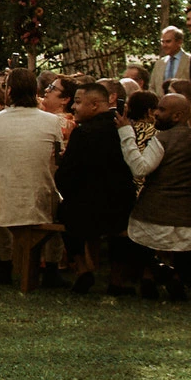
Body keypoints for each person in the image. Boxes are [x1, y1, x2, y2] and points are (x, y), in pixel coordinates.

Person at [0, 67, 66, 285]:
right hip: (39, 195)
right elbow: (57, 163)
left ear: (9, 91)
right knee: (54, 197)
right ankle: (51, 267)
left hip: (2, 197)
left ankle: (5, 264)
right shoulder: (51, 122)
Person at [123, 91, 191, 299]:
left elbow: (140, 168)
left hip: (152, 213)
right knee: (190, 241)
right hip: (189, 215)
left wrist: (125, 134)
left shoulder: (162, 139)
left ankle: (149, 275)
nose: (155, 113)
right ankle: (177, 277)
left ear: (177, 116)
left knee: (141, 236)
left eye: (162, 109)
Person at [55, 80, 136, 294]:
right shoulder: (125, 128)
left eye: (78, 102)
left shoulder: (84, 133)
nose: (73, 107)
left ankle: (82, 269)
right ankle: (117, 280)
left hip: (85, 209)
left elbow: (65, 176)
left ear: (95, 105)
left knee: (63, 211)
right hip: (121, 206)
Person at [150, 26, 191, 94]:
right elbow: (152, 87)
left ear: (179, 42)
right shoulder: (159, 63)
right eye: (162, 42)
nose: (164, 45)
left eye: (168, 41)